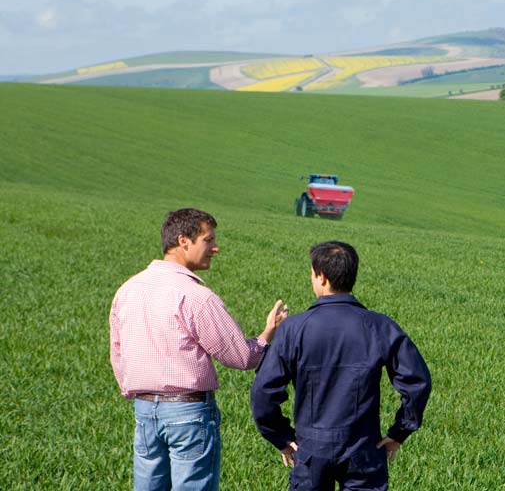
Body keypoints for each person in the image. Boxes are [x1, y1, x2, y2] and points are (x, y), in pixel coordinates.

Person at [109, 208, 288, 491]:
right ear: (184, 241)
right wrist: (268, 334)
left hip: (143, 411)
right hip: (188, 413)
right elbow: (240, 357)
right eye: (208, 240)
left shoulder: (128, 290)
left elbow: (118, 353)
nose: (215, 248)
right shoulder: (195, 296)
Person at [251, 241, 432, 491]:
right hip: (363, 448)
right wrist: (400, 431)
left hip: (310, 449)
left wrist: (280, 436)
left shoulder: (294, 329)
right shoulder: (380, 326)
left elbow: (263, 392)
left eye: (313, 274)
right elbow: (417, 383)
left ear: (322, 277)